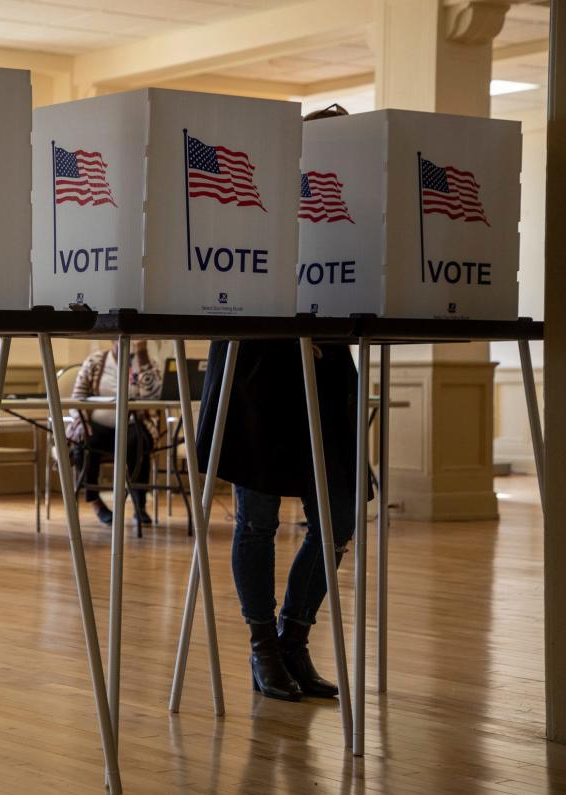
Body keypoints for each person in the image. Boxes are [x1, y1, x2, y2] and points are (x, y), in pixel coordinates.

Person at [195, 103, 365, 703]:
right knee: (257, 519)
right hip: (260, 370)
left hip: (323, 369)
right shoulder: (246, 202)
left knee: (340, 515)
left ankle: (294, 636)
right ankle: (264, 646)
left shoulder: (349, 210)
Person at [67, 339, 163, 525]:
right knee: (83, 444)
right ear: (113, 340)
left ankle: (139, 504)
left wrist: (142, 355)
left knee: (139, 442)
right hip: (97, 426)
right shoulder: (95, 361)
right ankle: (95, 502)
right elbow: (77, 398)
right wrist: (81, 422)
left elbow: (155, 395)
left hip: (134, 424)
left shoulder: (147, 363)